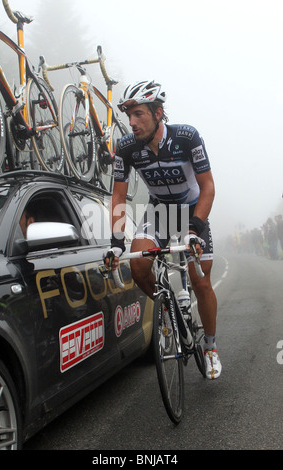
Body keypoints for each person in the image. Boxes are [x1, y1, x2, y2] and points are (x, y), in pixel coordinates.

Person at [105, 80, 221, 379]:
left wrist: (195, 229)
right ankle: (168, 308)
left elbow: (207, 186)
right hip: (159, 212)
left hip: (193, 212)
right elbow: (118, 196)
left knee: (201, 280)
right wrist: (116, 241)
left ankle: (210, 346)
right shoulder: (127, 147)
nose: (131, 122)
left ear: (158, 113)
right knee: (139, 263)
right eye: (128, 115)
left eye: (138, 114)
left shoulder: (186, 137)